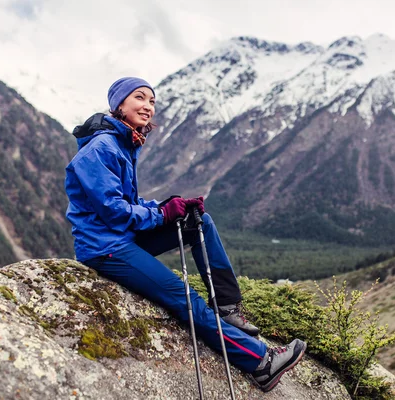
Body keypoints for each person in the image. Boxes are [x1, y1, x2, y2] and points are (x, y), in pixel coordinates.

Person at [64, 77, 306, 391]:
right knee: (184, 298)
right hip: (105, 247)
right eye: (140, 98)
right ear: (118, 105)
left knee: (200, 223)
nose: (148, 106)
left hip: (120, 235)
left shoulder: (121, 142)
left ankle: (228, 308)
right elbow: (113, 210)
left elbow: (129, 204)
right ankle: (261, 363)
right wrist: (162, 214)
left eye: (152, 101)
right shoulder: (100, 149)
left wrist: (171, 206)